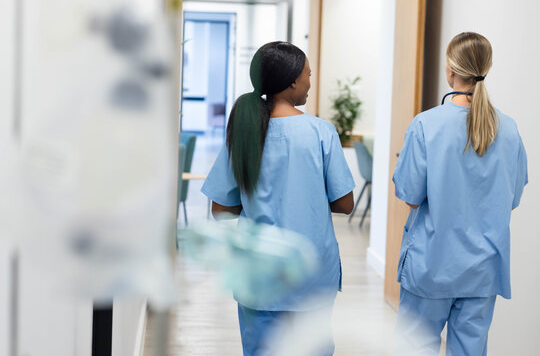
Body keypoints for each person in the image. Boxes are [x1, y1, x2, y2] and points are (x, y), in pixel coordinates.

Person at [201, 41, 355, 356]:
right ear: (293, 80)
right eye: (309, 74)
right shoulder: (321, 132)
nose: (311, 82)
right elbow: (345, 203)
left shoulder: (244, 133)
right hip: (311, 271)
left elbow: (220, 208)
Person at [392, 32, 528, 355]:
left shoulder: (426, 125)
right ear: (488, 67)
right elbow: (511, 199)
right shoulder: (508, 130)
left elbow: (410, 196)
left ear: (450, 70)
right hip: (482, 272)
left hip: (431, 267)